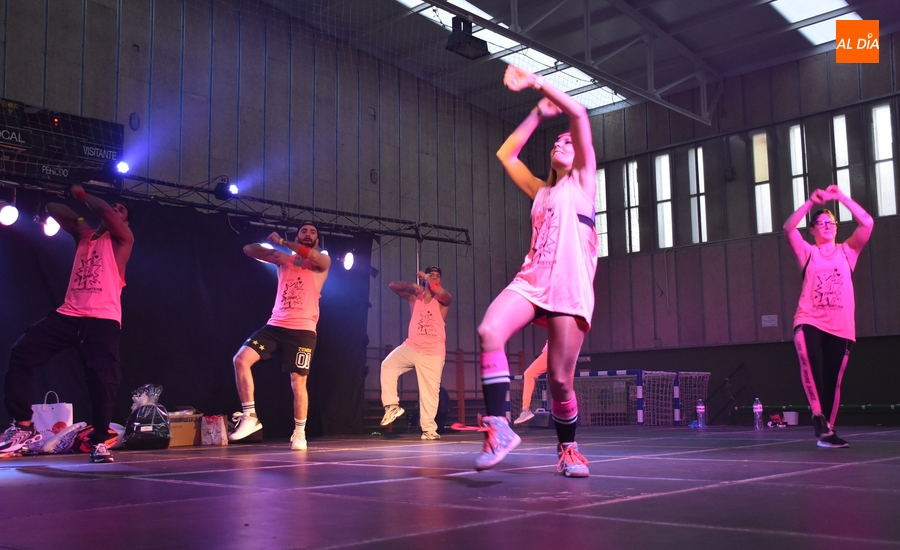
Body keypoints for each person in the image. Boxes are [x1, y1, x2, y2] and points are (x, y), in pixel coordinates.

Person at [455, 65, 598, 477]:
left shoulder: (584, 183)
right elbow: (506, 154)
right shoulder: (541, 191)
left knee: (559, 381)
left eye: (569, 142)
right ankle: (499, 427)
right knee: (488, 332)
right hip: (532, 280)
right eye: (558, 140)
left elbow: (581, 115)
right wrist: (536, 113)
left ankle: (568, 449)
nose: (562, 142)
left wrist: (538, 81)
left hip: (569, 290)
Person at [0, 185, 134, 463]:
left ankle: (99, 442)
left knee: (102, 381)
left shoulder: (122, 240)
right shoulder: (84, 237)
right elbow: (52, 208)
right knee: (22, 353)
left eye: (122, 211)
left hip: (102, 319)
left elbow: (106, 211)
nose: (115, 212)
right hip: (69, 314)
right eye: (115, 208)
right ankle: (23, 425)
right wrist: (81, 223)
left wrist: (85, 197)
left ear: (125, 221)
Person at [784, 185, 873, 448]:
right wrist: (810, 203)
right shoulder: (807, 252)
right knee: (810, 363)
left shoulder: (848, 251)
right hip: (809, 319)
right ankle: (817, 416)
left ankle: (827, 433)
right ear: (811, 230)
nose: (826, 225)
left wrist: (842, 197)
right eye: (820, 223)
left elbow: (867, 222)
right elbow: (789, 228)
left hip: (841, 325)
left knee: (833, 379)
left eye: (831, 222)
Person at [228, 222, 331, 451]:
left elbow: (318, 258)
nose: (308, 234)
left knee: (298, 382)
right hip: (275, 325)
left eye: (312, 232)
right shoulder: (285, 260)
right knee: (241, 360)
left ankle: (299, 432)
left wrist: (284, 243)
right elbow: (249, 249)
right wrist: (276, 252)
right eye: (304, 231)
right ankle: (250, 417)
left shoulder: (321, 260)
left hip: (303, 330)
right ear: (298, 235)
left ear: (316, 240)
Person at [379, 266, 452, 440]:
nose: (434, 278)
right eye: (431, 275)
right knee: (388, 365)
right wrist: (412, 284)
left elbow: (443, 294)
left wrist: (428, 278)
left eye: (436, 276)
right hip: (412, 346)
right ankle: (391, 406)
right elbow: (392, 286)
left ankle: (428, 429)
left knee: (430, 392)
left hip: (433, 352)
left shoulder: (443, 300)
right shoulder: (415, 297)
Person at [513, 341, 548, 425]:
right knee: (529, 374)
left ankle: (569, 414)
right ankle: (525, 409)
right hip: (553, 351)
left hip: (564, 351)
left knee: (564, 383)